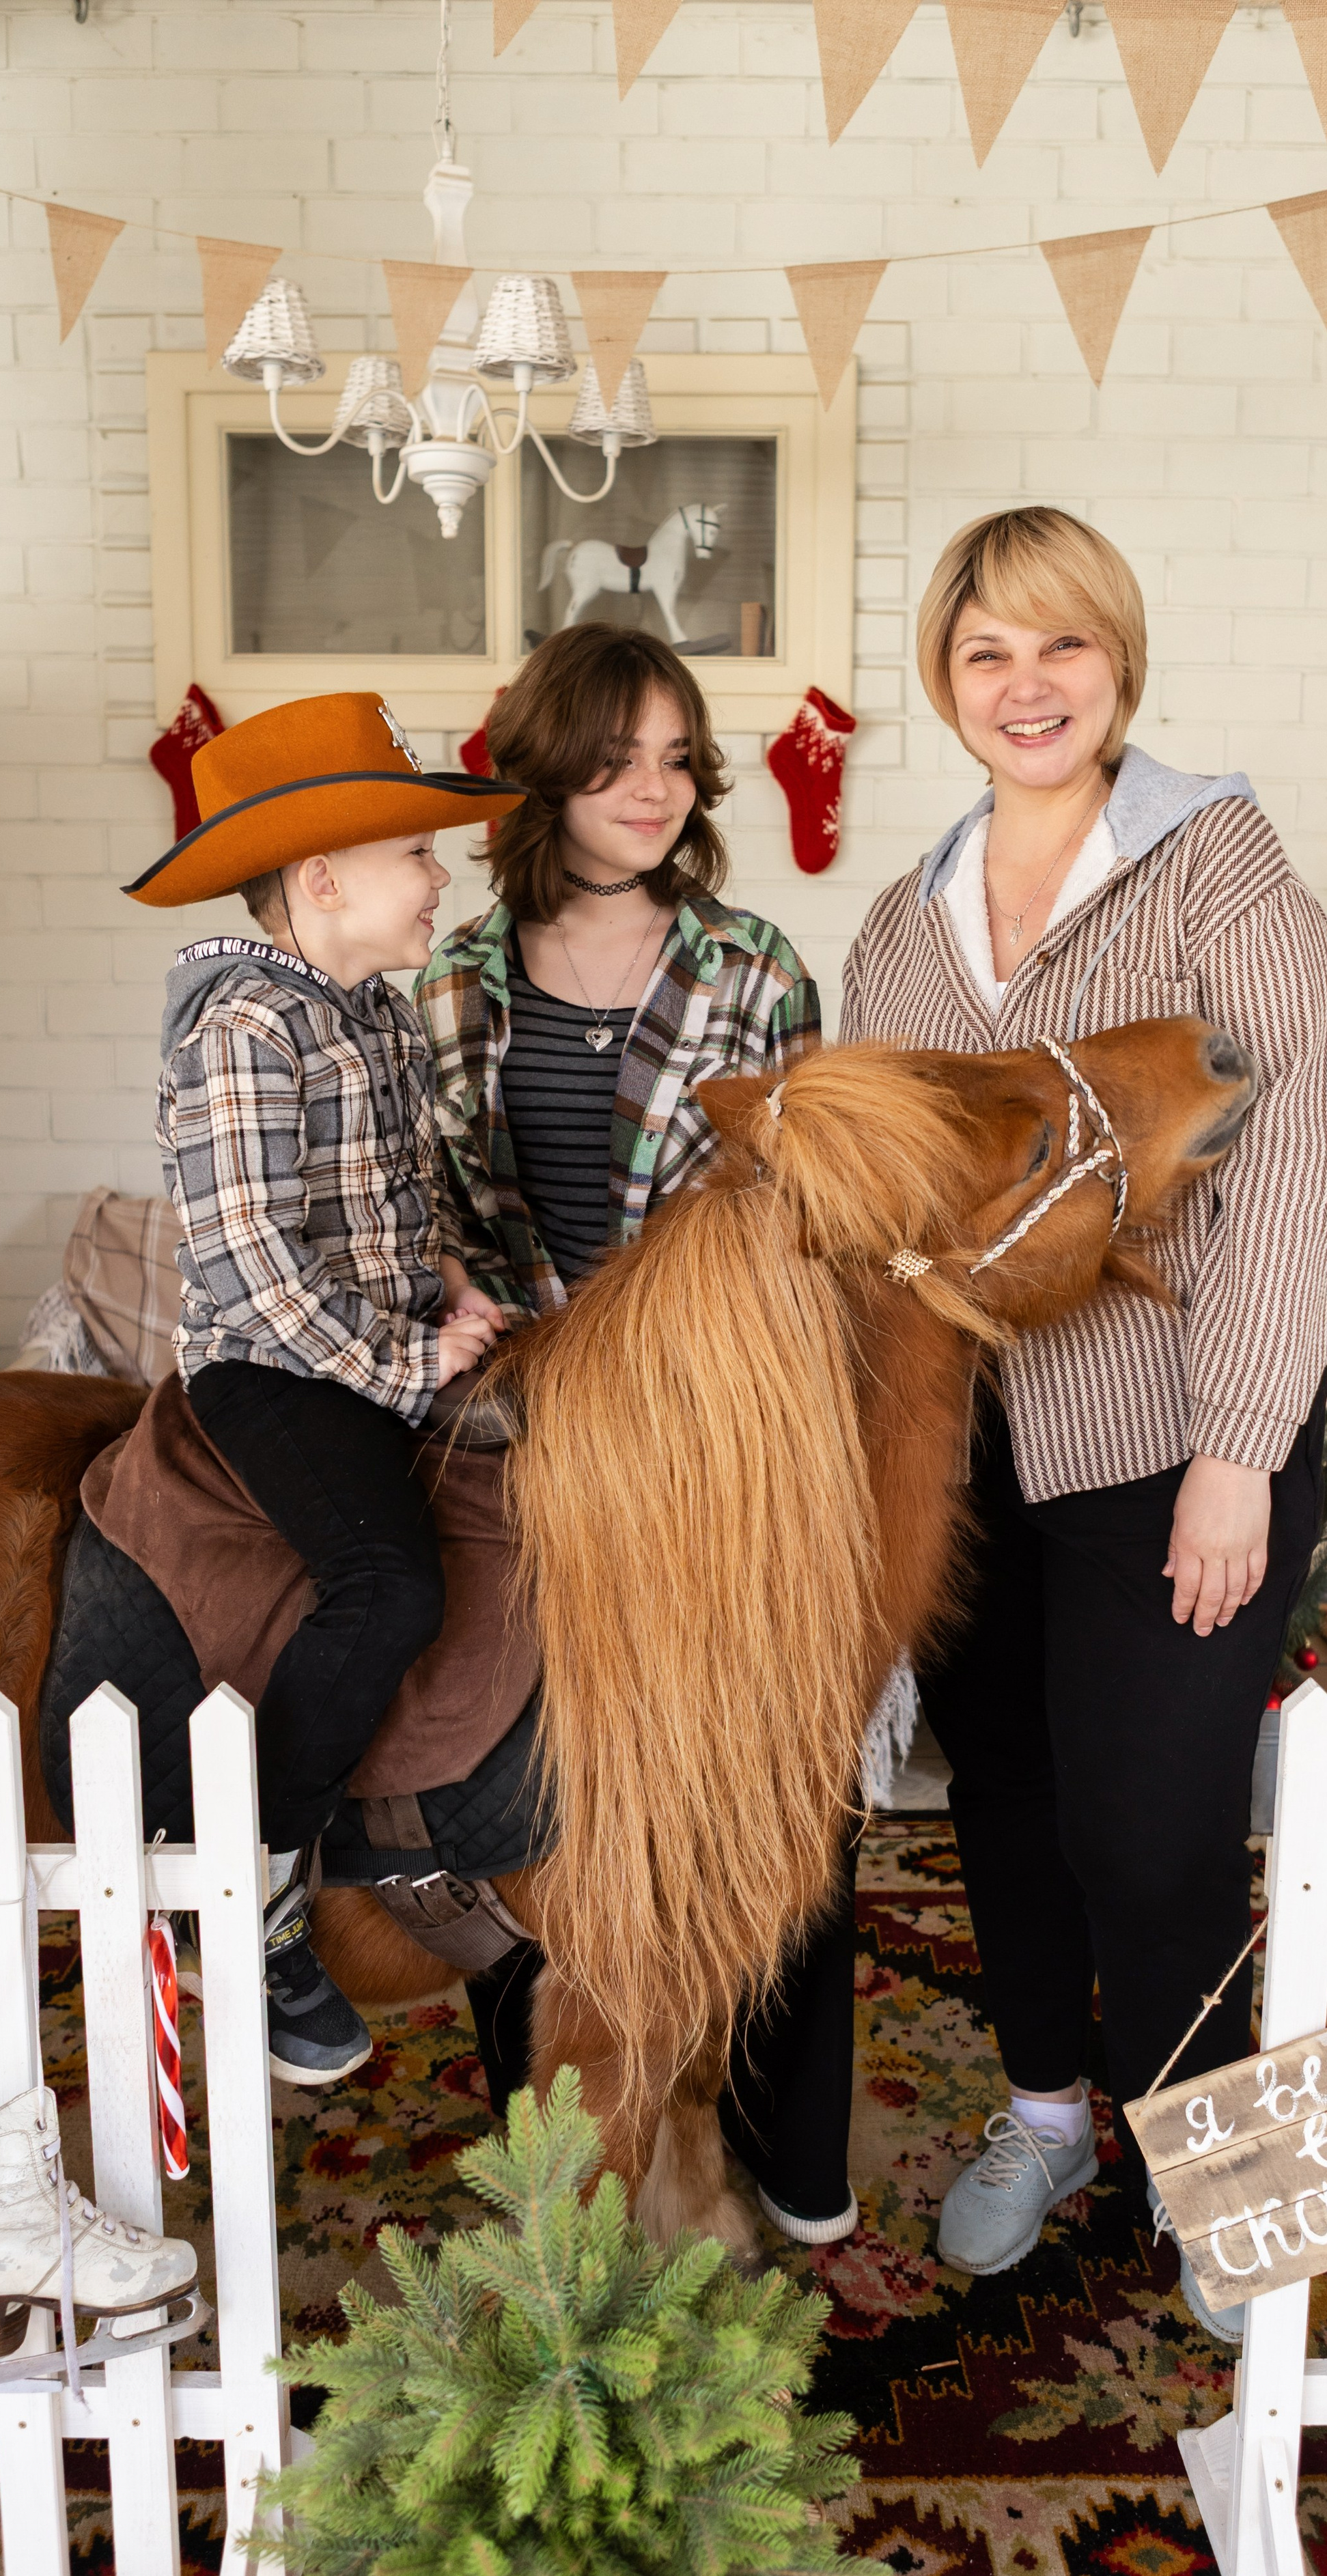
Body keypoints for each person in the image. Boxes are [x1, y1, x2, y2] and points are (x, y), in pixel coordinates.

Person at [841, 508, 1327, 2341]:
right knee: (1005, 1800)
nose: (1026, 683)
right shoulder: (900, 926)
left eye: (1060, 643)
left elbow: (1297, 1146)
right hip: (966, 1451)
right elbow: (880, 1212)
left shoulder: (1214, 863)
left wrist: (1241, 1443)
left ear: (1118, 662)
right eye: (986, 650)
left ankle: (1205, 2159)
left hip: (1168, 1438)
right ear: (945, 680)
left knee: (1151, 1834)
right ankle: (1053, 2116)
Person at [419, 624, 855, 2244]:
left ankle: (785, 2162)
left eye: (675, 759)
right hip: (519, 1424)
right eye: (615, 761)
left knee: (763, 1794)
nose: (653, 790)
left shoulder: (756, 967)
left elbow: (811, 1214)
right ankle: (553, 2153)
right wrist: (462, 1300)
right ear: (547, 772)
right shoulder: (453, 980)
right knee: (524, 1785)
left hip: (717, 1435)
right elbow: (432, 1203)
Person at [130, 690, 527, 2088]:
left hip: (376, 1341)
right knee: (386, 1583)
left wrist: (454, 1285)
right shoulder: (243, 1023)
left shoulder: (375, 1014)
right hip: (273, 1368)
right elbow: (249, 1262)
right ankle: (248, 1884)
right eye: (417, 852)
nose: (441, 877)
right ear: (322, 880)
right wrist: (409, 1364)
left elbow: (406, 1202)